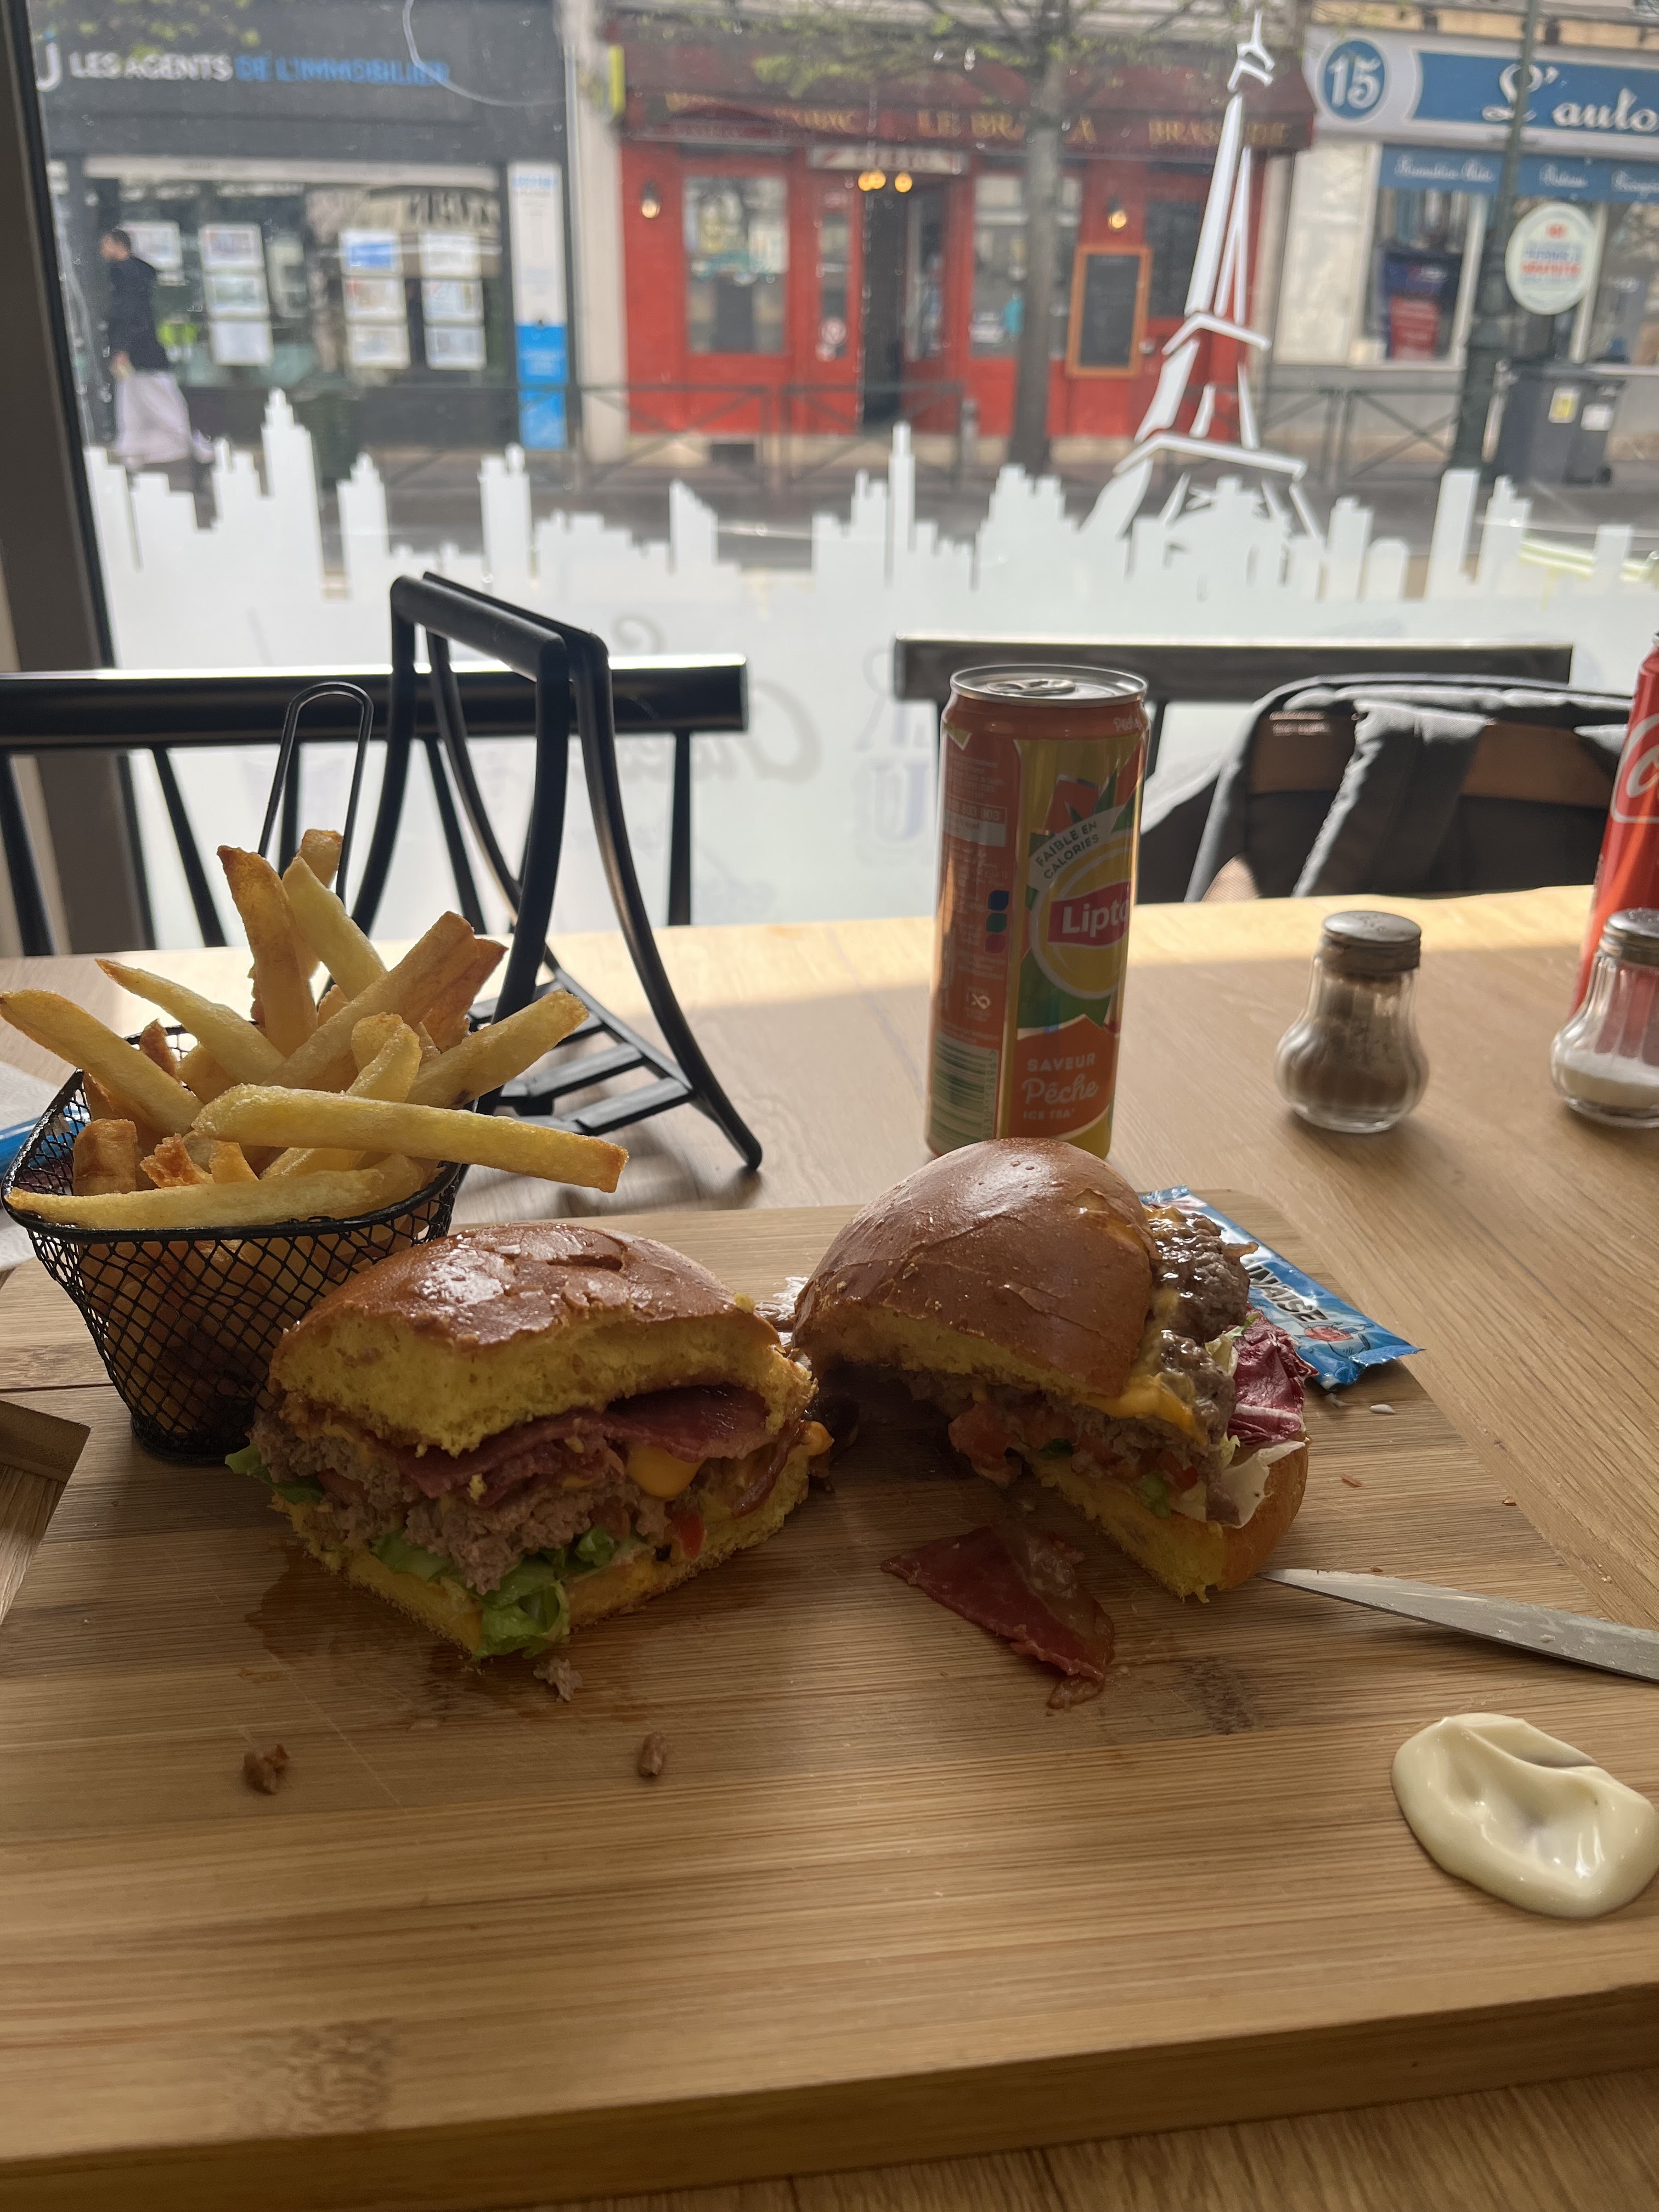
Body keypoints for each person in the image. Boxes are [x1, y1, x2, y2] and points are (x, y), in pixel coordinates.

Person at [100, 226, 211, 471]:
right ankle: (134, 450)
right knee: (134, 400)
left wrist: (121, 347)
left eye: (106, 244)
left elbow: (126, 315)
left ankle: (189, 444)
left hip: (139, 351)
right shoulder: (141, 275)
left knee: (156, 399)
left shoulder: (123, 278)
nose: (102, 250)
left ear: (118, 245)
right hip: (146, 349)